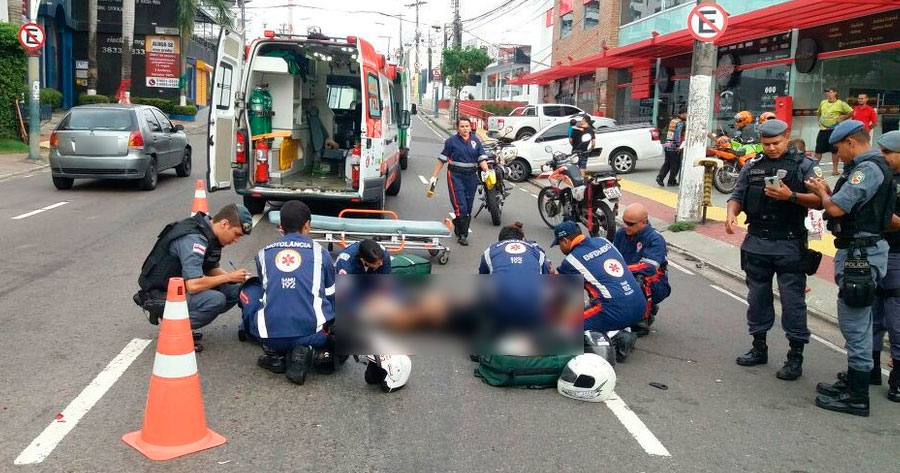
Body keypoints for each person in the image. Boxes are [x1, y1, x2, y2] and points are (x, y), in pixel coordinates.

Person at [805, 120, 895, 416]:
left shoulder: (866, 170)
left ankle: (857, 397)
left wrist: (822, 192)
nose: (838, 154)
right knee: (861, 320)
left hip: (861, 254)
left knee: (854, 323)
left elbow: (835, 209)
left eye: (839, 148)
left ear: (851, 143)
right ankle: (855, 382)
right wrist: (827, 191)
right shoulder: (870, 167)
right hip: (862, 251)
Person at [725, 119, 823, 380]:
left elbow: (822, 200)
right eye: (766, 144)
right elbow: (737, 195)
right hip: (757, 241)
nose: (770, 148)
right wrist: (731, 214)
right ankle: (759, 347)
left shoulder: (805, 166)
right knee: (757, 299)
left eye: (776, 143)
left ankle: (795, 356)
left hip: (789, 243)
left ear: (786, 137)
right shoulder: (753, 166)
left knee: (793, 302)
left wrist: (791, 196)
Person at [240, 200, 338, 385]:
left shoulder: (262, 254)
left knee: (251, 289)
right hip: (314, 335)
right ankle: (310, 352)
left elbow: (267, 290)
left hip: (268, 336)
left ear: (281, 227)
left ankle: (276, 355)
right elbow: (332, 296)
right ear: (307, 225)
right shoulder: (321, 254)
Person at [136, 203, 253, 350]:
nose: (236, 240)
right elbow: (193, 285)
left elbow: (210, 268)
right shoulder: (194, 239)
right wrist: (228, 277)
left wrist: (237, 280)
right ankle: (174, 331)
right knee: (216, 300)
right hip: (159, 294)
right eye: (237, 234)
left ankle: (182, 324)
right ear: (224, 224)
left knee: (236, 290)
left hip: (176, 289)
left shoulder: (208, 232)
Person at [553, 221, 647, 333]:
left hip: (617, 312)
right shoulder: (603, 241)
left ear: (565, 241)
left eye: (559, 244)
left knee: (558, 326)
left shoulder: (570, 262)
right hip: (641, 306)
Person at [428, 116, 491, 246]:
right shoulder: (451, 142)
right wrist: (434, 176)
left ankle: (458, 223)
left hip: (472, 177)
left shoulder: (476, 141)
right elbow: (442, 160)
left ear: (470, 127)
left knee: (468, 207)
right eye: (462, 126)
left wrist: (487, 171)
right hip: (455, 176)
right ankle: (463, 235)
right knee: (460, 206)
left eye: (467, 126)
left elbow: (482, 160)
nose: (465, 129)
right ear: (458, 128)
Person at [613, 203, 671, 334]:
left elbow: (650, 267)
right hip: (626, 275)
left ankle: (642, 320)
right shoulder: (621, 234)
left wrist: (622, 270)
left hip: (655, 283)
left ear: (644, 221)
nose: (626, 226)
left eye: (630, 223)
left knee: (640, 280)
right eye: (624, 222)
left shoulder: (655, 238)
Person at [873, 130, 900, 402]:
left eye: (887, 153)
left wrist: (875, 215)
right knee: (872, 314)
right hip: (877, 250)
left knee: (896, 319)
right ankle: (869, 368)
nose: (883, 158)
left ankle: (897, 379)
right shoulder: (883, 177)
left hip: (897, 255)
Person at [479, 222, 552, 275]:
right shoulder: (535, 249)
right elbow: (550, 271)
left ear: (501, 240)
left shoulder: (490, 251)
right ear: (522, 238)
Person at [815, 88, 853, 175]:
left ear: (835, 93)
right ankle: (814, 168)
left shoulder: (840, 103)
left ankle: (835, 169)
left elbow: (851, 112)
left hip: (834, 130)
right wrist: (819, 120)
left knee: (834, 150)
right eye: (827, 92)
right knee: (818, 150)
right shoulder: (823, 102)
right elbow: (819, 112)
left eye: (830, 92)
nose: (828, 94)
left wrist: (843, 118)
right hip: (823, 130)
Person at [657, 109, 686, 187]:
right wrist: (678, 145)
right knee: (675, 165)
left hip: (668, 144)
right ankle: (671, 181)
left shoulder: (673, 121)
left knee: (667, 163)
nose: (687, 116)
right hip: (674, 146)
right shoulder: (680, 123)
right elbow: (677, 134)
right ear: (682, 114)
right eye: (686, 114)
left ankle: (660, 177)